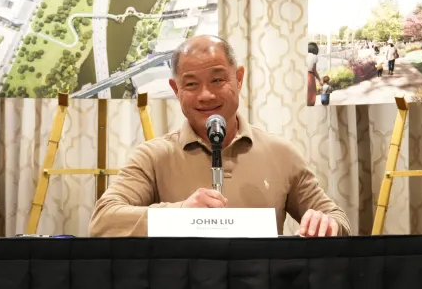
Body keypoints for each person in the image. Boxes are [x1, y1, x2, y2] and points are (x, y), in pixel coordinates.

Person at [89, 35, 350, 237]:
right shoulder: (153, 156)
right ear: (175, 89)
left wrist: (326, 224)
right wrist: (181, 214)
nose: (206, 95)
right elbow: (103, 221)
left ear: (238, 79)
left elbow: (336, 218)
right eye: (191, 84)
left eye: (217, 80)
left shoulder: (281, 153)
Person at [306, 41, 320, 106]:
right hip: (309, 76)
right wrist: (320, 80)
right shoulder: (314, 57)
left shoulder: (304, 55)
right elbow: (314, 70)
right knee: (310, 96)